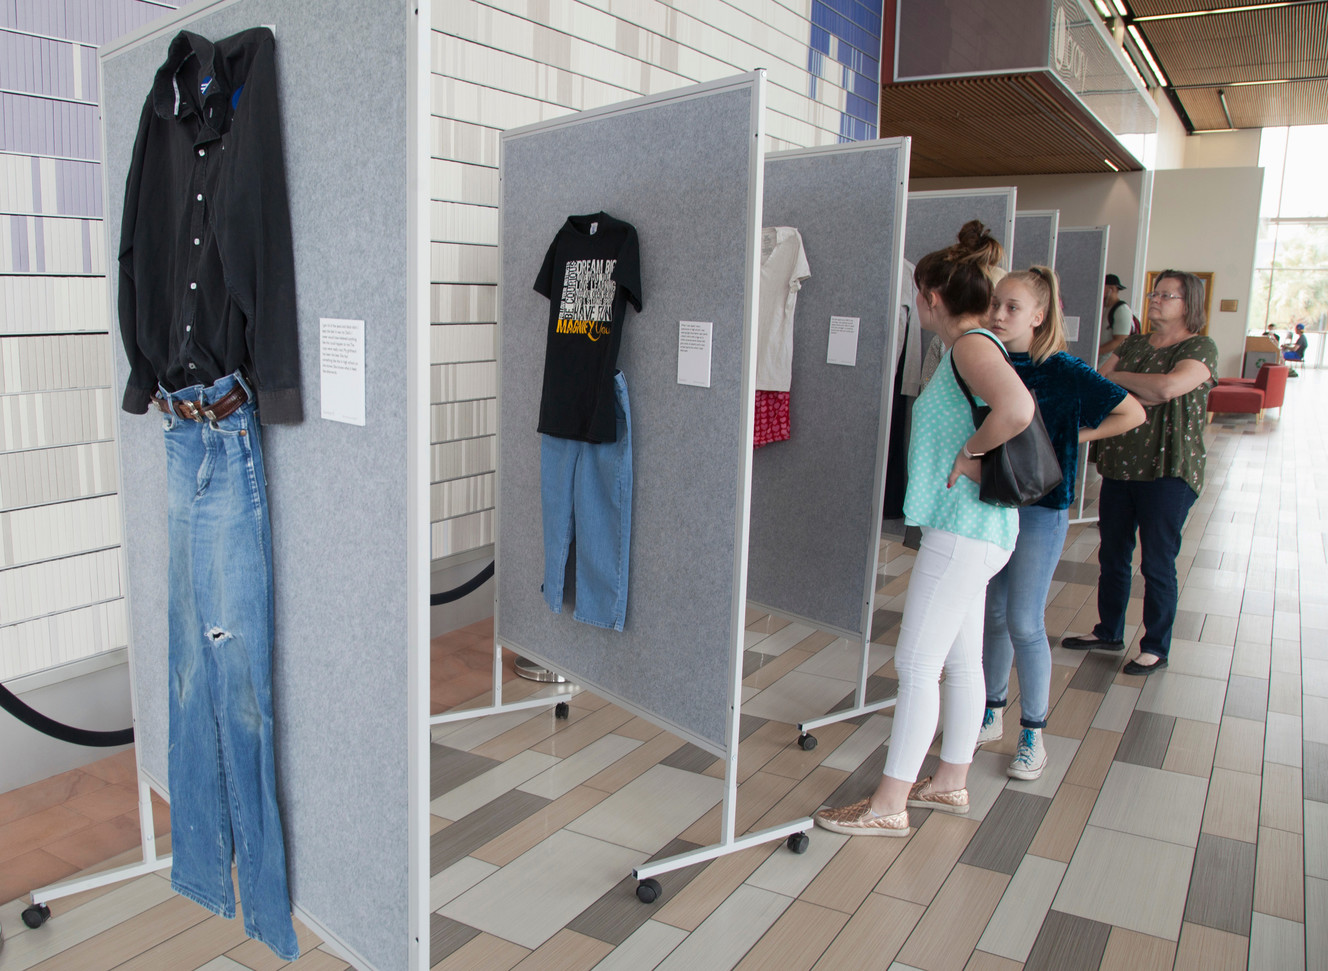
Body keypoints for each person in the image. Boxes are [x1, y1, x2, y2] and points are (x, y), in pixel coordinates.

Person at [814, 222, 1034, 836]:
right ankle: (950, 782)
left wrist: (971, 454)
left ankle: (888, 804)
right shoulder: (975, 344)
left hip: (964, 528)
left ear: (931, 297)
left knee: (916, 664)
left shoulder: (970, 346)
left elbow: (1016, 410)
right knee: (962, 661)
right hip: (978, 529)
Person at [978, 268, 1145, 779]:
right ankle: (991, 709)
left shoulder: (1065, 368)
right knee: (995, 612)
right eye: (995, 305)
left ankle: (1034, 733)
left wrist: (1071, 438)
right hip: (992, 504)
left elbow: (1132, 412)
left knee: (1026, 620)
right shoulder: (988, 361)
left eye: (1012, 307)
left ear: (1039, 315)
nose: (999, 315)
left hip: (1043, 508)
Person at [1062, 271, 1218, 675]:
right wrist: (1123, 384)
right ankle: (1109, 630)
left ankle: (1155, 645)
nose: (1156, 299)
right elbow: (1098, 384)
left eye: (1168, 295)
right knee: (1112, 553)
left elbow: (1167, 389)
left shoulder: (1201, 347)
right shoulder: (1132, 343)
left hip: (1168, 470)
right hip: (1120, 465)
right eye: (1155, 292)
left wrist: (1119, 380)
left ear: (1189, 305)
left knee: (1157, 561)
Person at [1098, 273, 1134, 361]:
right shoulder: (1104, 308)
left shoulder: (1122, 310)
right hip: (1099, 361)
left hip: (1107, 362)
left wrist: (1097, 351)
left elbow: (1120, 341)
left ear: (1111, 289)